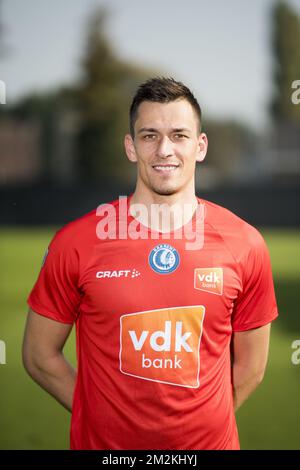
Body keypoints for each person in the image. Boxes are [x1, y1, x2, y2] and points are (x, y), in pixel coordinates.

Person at [23, 77, 278, 450]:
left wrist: (195, 430)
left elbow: (251, 368)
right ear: (130, 147)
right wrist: (97, 416)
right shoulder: (76, 243)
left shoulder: (245, 244)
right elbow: (38, 355)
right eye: (149, 136)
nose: (164, 149)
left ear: (200, 146)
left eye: (179, 135)